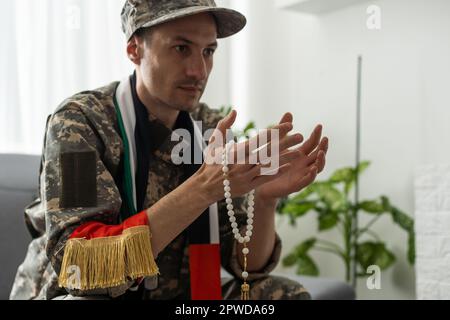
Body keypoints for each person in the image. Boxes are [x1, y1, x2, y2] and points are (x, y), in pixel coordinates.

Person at [10, 0, 328, 300]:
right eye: (181, 48)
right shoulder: (78, 122)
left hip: (178, 297)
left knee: (279, 293)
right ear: (135, 49)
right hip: (86, 294)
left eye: (208, 51)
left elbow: (246, 267)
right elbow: (80, 266)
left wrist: (266, 199)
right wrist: (203, 189)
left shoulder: (209, 127)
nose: (199, 71)